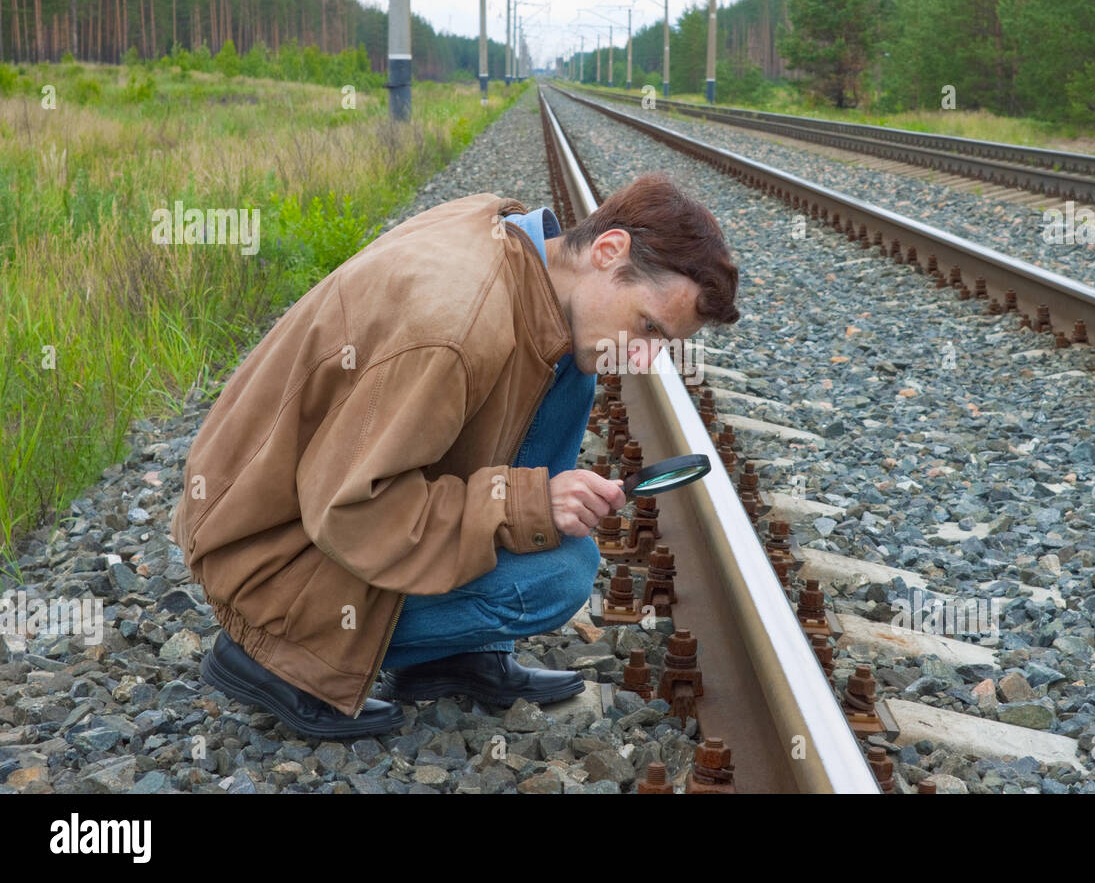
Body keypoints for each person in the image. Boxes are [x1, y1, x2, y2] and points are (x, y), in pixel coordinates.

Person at [168, 171, 740, 737]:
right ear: (608, 250)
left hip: (287, 506)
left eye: (664, 344)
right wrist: (523, 505)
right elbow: (350, 510)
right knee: (562, 573)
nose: (642, 359)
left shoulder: (514, 242)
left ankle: (447, 657)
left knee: (570, 366)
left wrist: (526, 499)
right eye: (648, 327)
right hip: (266, 553)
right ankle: (278, 655)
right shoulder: (454, 327)